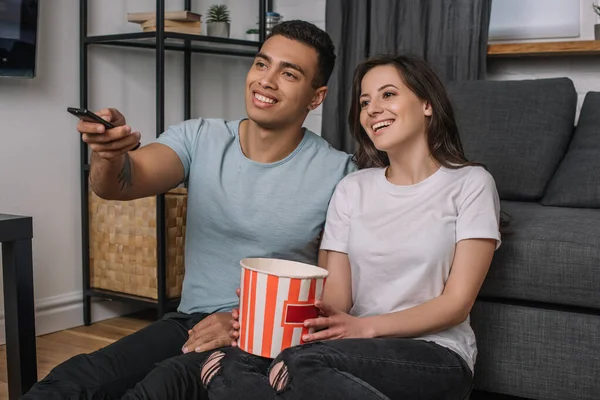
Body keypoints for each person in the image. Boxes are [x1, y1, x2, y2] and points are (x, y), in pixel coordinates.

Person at [22, 20, 356, 400]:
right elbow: (119, 184)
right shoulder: (200, 137)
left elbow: (336, 297)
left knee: (155, 391)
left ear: (317, 96)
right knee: (71, 380)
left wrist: (241, 321)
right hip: (189, 321)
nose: (266, 80)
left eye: (289, 73)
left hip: (266, 341)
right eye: (262, 64)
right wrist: (108, 154)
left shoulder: (340, 173)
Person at [199, 54, 503, 400]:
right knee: (226, 363)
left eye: (388, 95)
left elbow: (456, 304)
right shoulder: (353, 188)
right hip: (348, 347)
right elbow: (337, 301)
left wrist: (364, 327)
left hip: (434, 353)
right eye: (364, 101)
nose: (373, 109)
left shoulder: (470, 183)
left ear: (427, 105)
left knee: (300, 366)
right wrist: (268, 308)